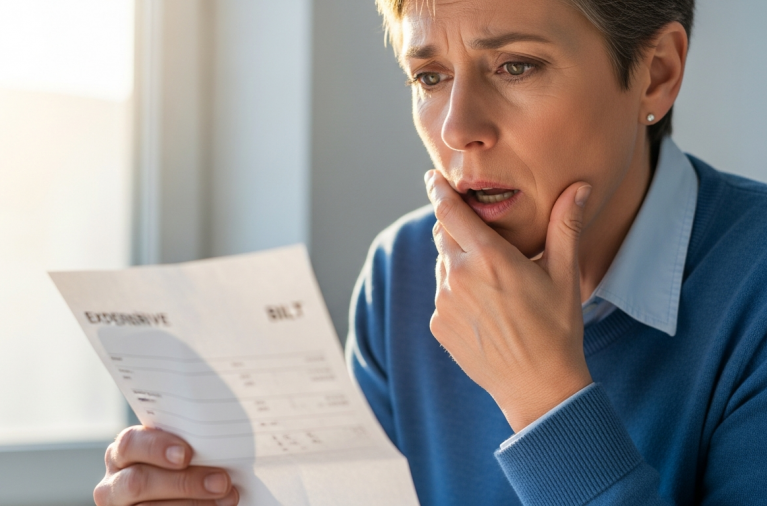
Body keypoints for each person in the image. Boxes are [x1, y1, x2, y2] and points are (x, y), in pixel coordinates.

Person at [93, 0, 767, 504]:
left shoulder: (752, 285)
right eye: (429, 75)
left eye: (514, 65)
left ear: (655, 74)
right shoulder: (406, 273)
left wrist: (545, 398)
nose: (458, 128)